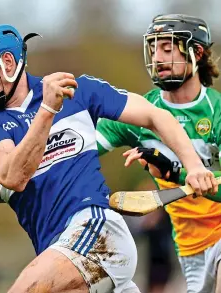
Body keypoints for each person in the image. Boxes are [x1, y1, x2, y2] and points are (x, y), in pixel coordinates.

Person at [0, 24, 217, 293]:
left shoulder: (78, 91)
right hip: (55, 248)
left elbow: (155, 116)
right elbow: (12, 176)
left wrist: (195, 166)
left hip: (98, 232)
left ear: (7, 62)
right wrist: (47, 110)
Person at [96, 14, 221, 293]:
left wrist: (173, 173)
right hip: (188, 245)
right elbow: (76, 152)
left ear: (196, 53)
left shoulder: (218, 112)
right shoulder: (140, 113)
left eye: (167, 48)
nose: (157, 57)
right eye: (153, 49)